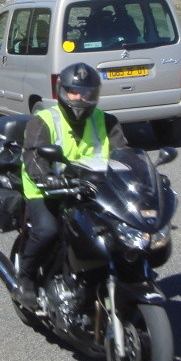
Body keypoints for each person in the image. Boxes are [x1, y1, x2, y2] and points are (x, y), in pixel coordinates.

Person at [15, 62, 128, 308]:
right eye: (74, 92)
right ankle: (25, 278)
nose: (80, 97)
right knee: (48, 231)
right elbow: (33, 156)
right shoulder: (44, 120)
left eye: (87, 92)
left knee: (119, 233)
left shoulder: (107, 122)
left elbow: (125, 156)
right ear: (62, 92)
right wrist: (46, 178)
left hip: (92, 190)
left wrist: (143, 175)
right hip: (48, 189)